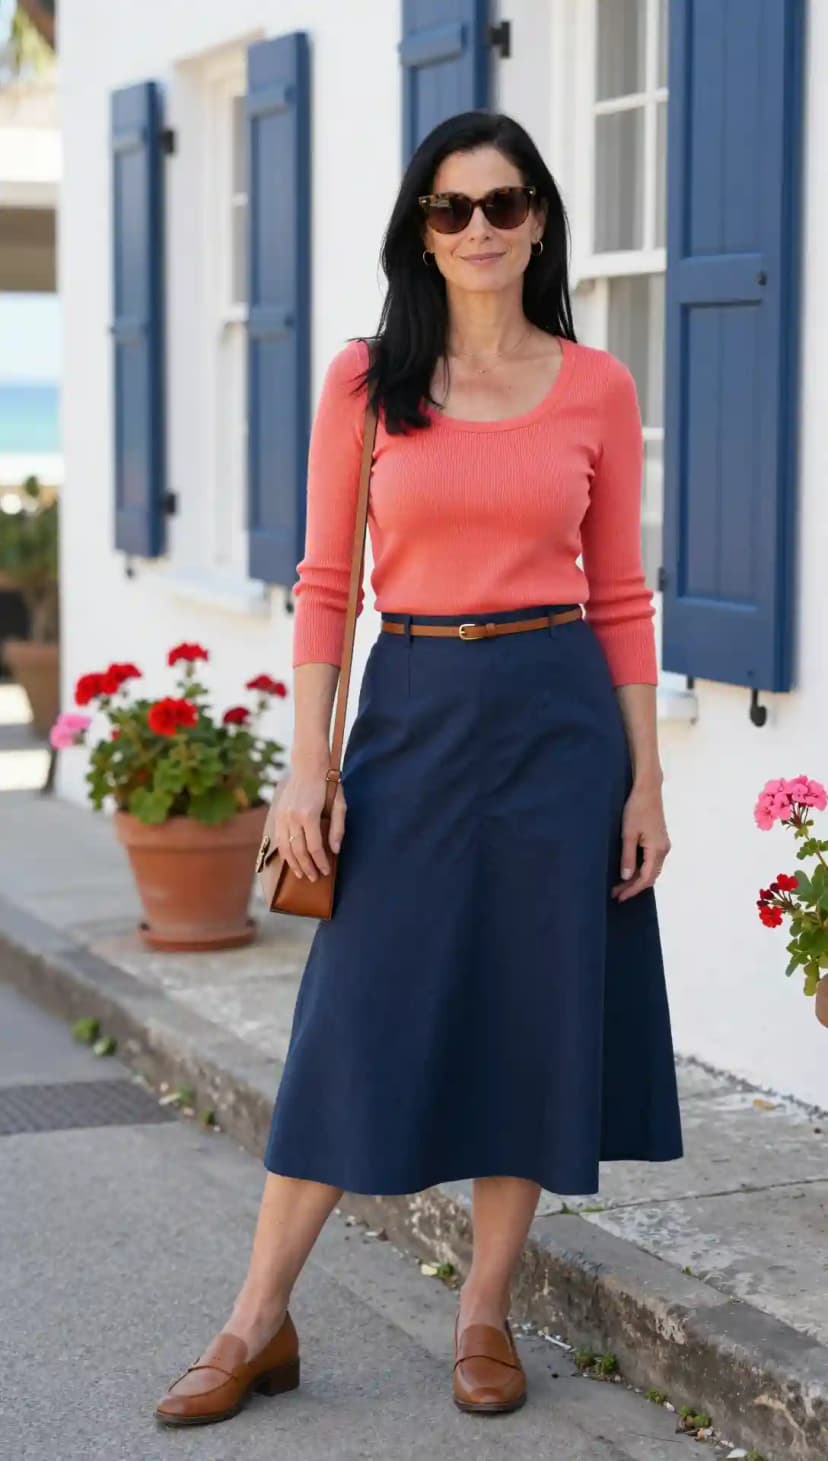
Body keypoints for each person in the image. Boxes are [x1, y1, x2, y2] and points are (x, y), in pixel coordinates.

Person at [155, 108, 683, 1426]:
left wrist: (646, 782)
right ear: (422, 231)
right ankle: (255, 1316)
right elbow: (327, 588)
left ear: (541, 220)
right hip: (415, 706)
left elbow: (620, 592)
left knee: (533, 1007)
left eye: (504, 205)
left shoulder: (598, 386)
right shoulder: (366, 381)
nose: (480, 230)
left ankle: (486, 1312)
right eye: (452, 210)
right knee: (353, 1013)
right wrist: (307, 769)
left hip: (560, 715)